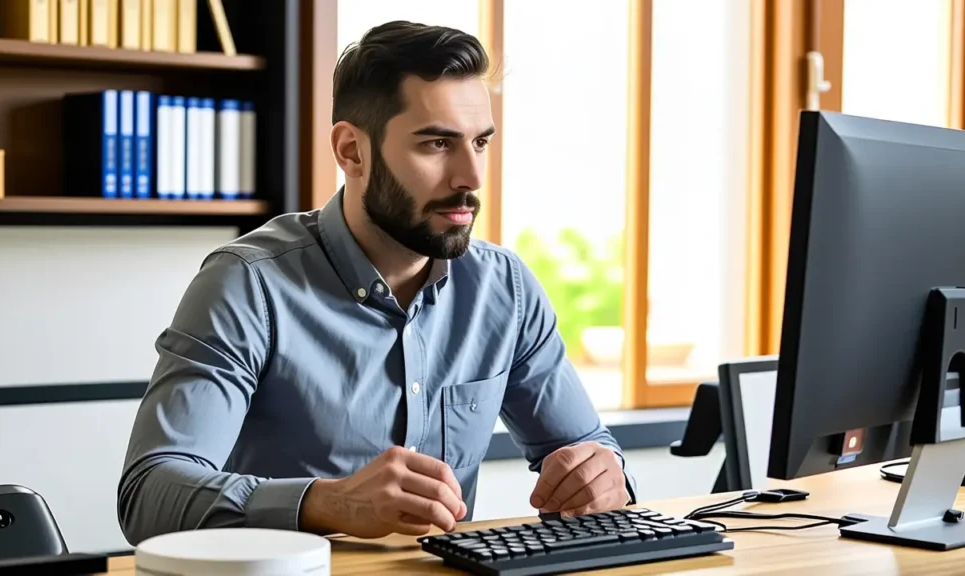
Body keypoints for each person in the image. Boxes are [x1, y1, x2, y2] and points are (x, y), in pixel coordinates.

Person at [117, 20, 636, 545]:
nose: (471, 178)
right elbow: (149, 494)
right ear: (351, 151)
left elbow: (588, 448)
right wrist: (328, 503)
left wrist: (603, 475)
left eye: (480, 142)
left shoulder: (505, 289)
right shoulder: (248, 285)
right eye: (437, 143)